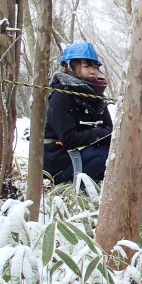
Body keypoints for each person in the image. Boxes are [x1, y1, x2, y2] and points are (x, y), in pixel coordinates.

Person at [43, 42, 112, 184]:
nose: (93, 71)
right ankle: (76, 189)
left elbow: (110, 129)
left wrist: (100, 134)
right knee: (107, 156)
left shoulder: (97, 97)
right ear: (70, 68)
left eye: (95, 67)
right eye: (87, 66)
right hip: (60, 161)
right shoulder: (61, 96)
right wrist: (98, 133)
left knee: (117, 154)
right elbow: (69, 138)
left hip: (86, 153)